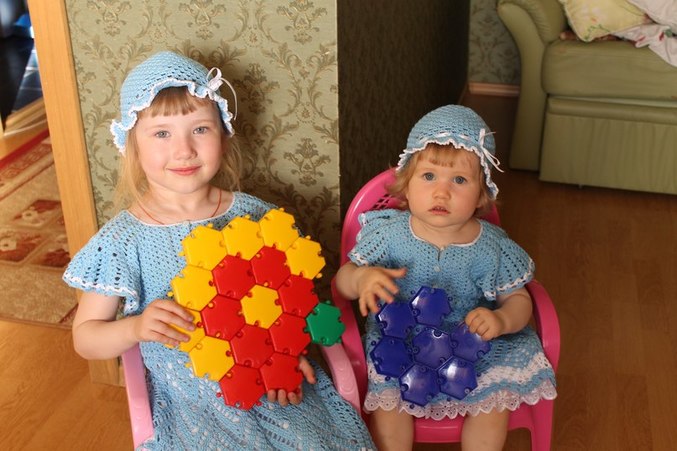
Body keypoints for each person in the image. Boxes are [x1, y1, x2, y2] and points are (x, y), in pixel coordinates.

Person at [63, 50, 374, 450]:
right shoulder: (123, 240)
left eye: (200, 129)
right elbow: (86, 338)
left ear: (224, 136)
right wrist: (134, 328)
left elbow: (291, 304)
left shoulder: (256, 216)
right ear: (132, 145)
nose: (184, 150)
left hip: (269, 383)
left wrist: (286, 356)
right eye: (161, 134)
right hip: (192, 403)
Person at [335, 105, 557, 450]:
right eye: (428, 177)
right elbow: (342, 281)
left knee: (492, 407)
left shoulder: (492, 247)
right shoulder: (389, 235)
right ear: (406, 185)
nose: (442, 193)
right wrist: (361, 278)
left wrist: (500, 319)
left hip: (473, 346)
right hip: (401, 343)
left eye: (459, 180)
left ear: (481, 194)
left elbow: (518, 298)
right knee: (390, 408)